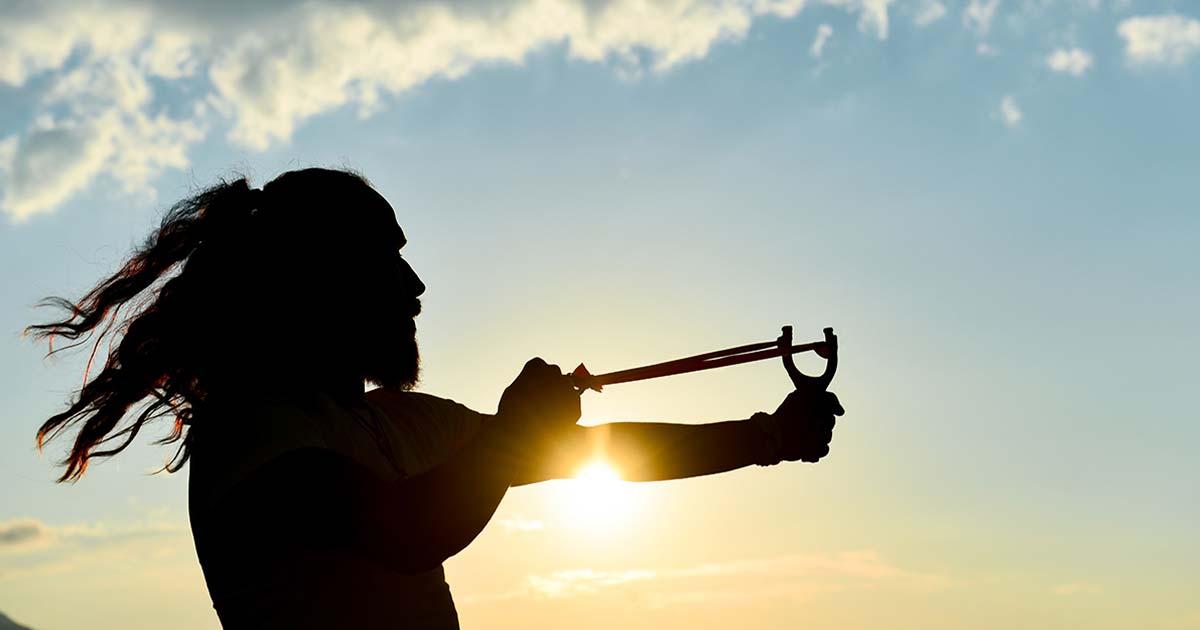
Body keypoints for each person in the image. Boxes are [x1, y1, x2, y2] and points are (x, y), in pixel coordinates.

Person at [27, 168, 845, 629]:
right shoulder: (252, 428)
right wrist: (511, 433)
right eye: (387, 259)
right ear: (317, 277)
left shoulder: (396, 424)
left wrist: (764, 437)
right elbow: (407, 531)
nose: (415, 285)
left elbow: (601, 454)